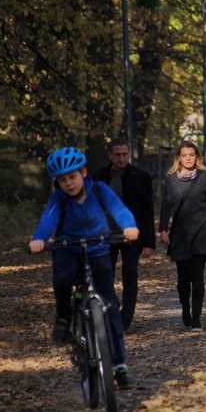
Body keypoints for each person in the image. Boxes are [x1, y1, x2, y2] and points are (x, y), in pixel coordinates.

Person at [29, 147, 140, 389]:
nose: (68, 183)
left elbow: (118, 209)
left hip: (98, 249)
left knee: (109, 306)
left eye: (72, 177)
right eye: (63, 179)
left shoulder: (99, 190)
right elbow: (48, 219)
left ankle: (119, 365)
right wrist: (39, 238)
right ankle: (64, 316)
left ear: (84, 173)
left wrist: (128, 226)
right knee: (63, 277)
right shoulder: (58, 199)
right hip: (68, 249)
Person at [159, 141, 206, 331]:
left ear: (196, 156)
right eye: (184, 155)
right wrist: (163, 229)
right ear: (178, 158)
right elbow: (166, 205)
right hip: (180, 231)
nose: (188, 158)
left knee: (197, 275)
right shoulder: (171, 178)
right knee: (183, 279)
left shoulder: (204, 176)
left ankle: (196, 317)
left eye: (191, 155)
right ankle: (185, 308)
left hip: (202, 230)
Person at [91, 138, 155, 331]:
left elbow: (147, 211)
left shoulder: (141, 177)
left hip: (132, 235)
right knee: (104, 275)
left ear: (129, 154)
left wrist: (149, 242)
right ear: (110, 155)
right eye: (117, 155)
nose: (121, 158)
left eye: (124, 154)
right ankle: (111, 307)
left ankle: (125, 319)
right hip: (105, 235)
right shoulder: (99, 177)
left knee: (130, 276)